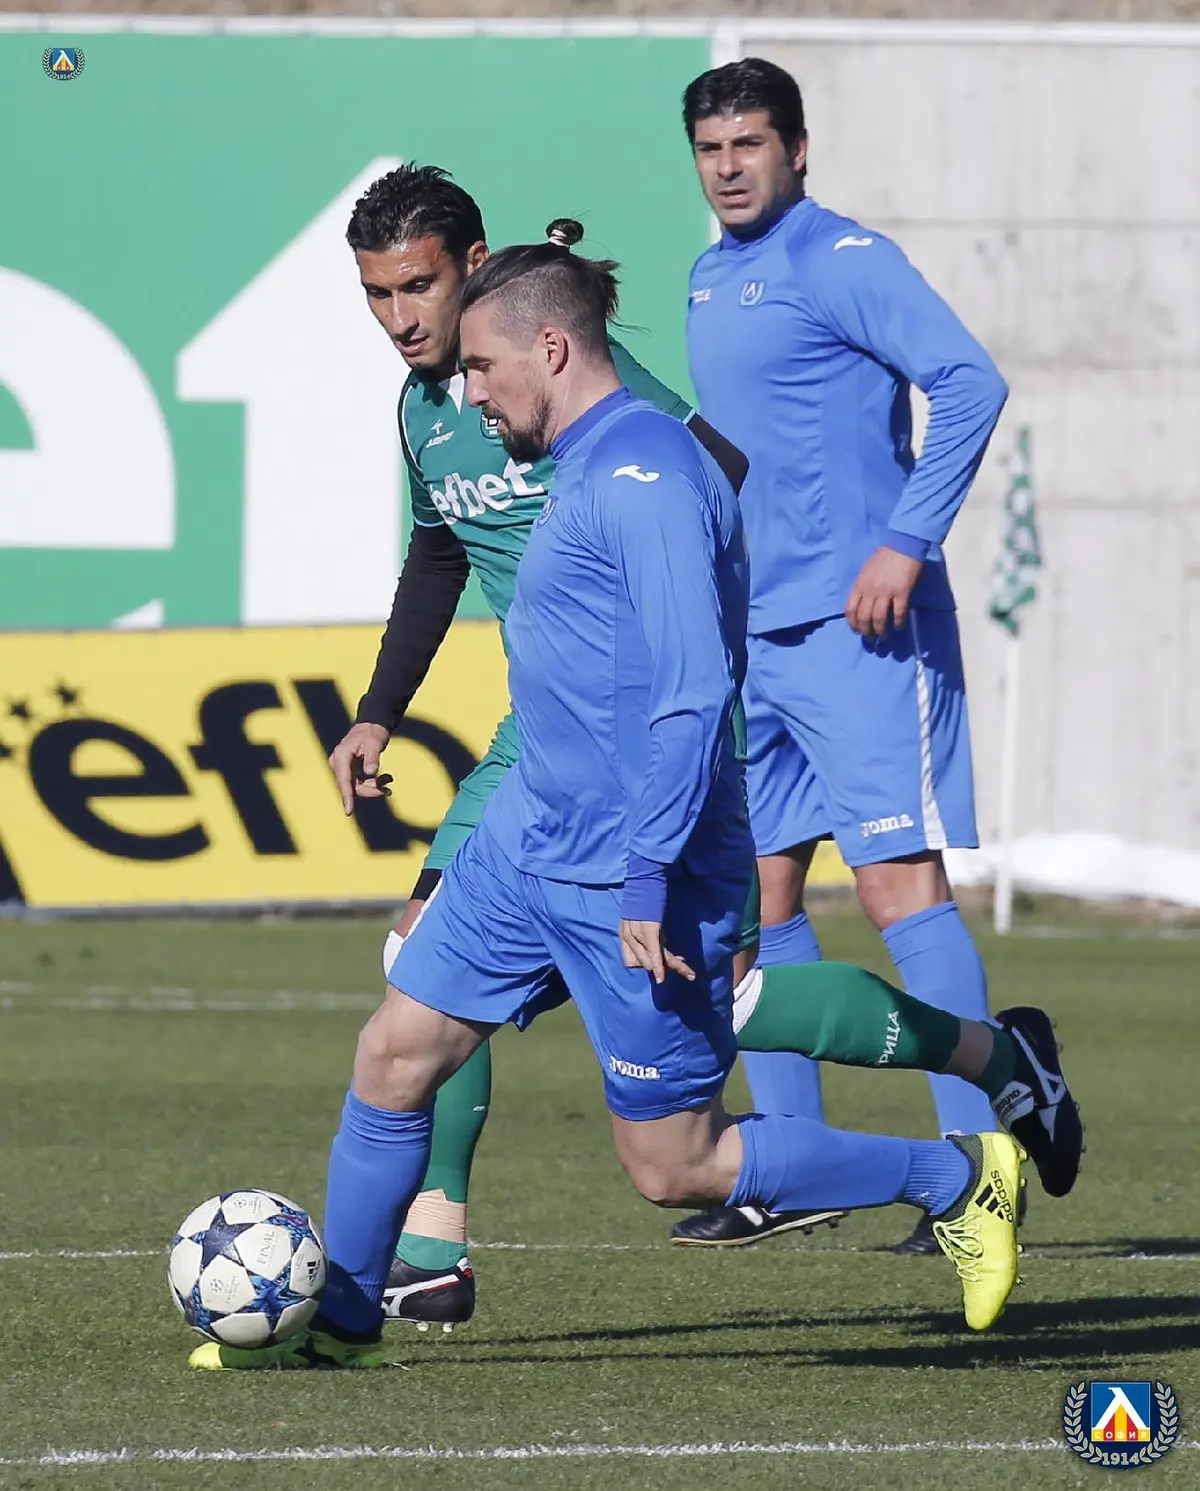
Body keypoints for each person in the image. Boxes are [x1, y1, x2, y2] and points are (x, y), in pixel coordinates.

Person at [188, 233, 1026, 1371]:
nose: (470, 396)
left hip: (634, 870)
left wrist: (647, 876)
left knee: (674, 1165)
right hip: (527, 840)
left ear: (550, 348)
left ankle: (957, 1177)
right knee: (392, 1054)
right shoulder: (575, 461)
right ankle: (344, 1320)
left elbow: (691, 696)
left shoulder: (648, 479)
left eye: (483, 370)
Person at [676, 59, 1073, 1255]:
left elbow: (970, 381)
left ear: (798, 149)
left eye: (750, 143)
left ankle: (982, 1162)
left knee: (899, 889)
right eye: (711, 149)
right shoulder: (708, 277)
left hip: (866, 632)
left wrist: (906, 542)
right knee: (757, 907)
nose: (730, 167)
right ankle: (800, 1169)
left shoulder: (844, 259)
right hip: (757, 640)